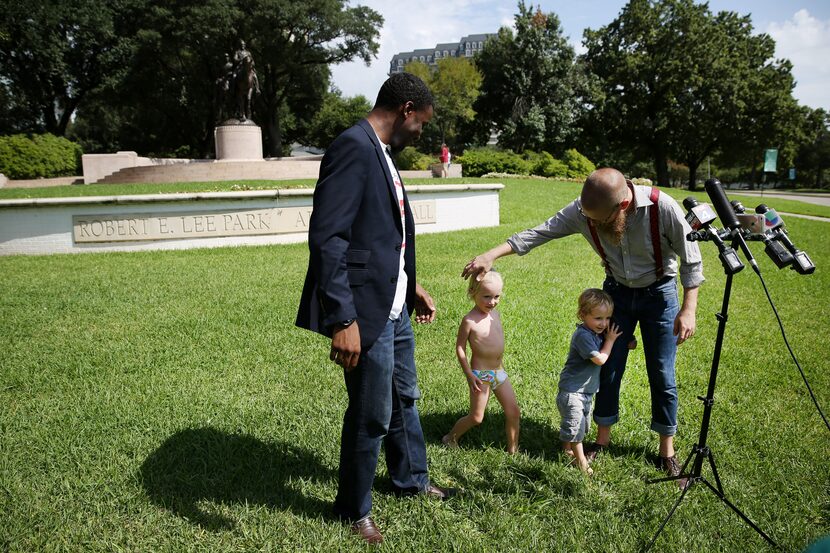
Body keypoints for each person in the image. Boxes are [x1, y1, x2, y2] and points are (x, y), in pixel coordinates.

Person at [462, 167, 703, 486]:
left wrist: (688, 309)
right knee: (609, 368)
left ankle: (666, 452)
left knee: (662, 372)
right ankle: (601, 441)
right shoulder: (585, 210)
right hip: (615, 293)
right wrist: (492, 254)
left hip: (660, 292)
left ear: (622, 205)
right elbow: (539, 233)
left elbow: (692, 259)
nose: (595, 224)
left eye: (601, 220)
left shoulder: (663, 208)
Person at [295, 72, 456, 546]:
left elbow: (382, 235)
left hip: (394, 304)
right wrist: (342, 319)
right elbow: (329, 238)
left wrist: (411, 284)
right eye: (422, 122)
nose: (421, 132)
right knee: (370, 412)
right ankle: (353, 508)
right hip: (364, 314)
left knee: (404, 398)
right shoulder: (354, 147)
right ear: (406, 109)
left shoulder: (381, 152)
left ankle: (410, 480)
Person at [442, 270, 521, 453]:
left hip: (499, 372)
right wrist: (468, 374)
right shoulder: (469, 321)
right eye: (486, 297)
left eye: (496, 296)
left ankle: (513, 450)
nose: (492, 302)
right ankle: (450, 437)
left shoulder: (496, 315)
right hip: (480, 375)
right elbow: (460, 348)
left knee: (514, 412)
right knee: (477, 417)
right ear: (472, 292)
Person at [558, 288, 621, 475]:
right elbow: (600, 359)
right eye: (598, 318)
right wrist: (610, 340)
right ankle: (582, 463)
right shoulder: (583, 336)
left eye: (608, 318)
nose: (604, 323)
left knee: (580, 426)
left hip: (584, 392)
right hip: (572, 392)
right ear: (582, 315)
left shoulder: (593, 332)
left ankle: (566, 448)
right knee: (577, 429)